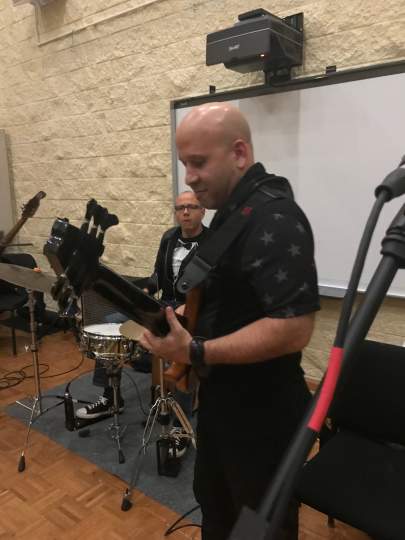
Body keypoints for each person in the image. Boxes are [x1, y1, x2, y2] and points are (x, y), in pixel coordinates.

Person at [139, 103, 320, 540]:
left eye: (199, 162)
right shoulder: (231, 213)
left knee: (259, 527)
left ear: (239, 153)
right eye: (184, 164)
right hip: (222, 400)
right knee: (215, 505)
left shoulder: (276, 217)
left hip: (264, 413)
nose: (189, 177)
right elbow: (228, 301)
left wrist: (195, 350)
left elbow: (294, 328)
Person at [76, 191, 208, 458]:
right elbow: (157, 276)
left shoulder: (212, 243)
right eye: (180, 207)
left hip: (195, 312)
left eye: (192, 207)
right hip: (164, 306)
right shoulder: (169, 237)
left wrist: (186, 307)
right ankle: (111, 397)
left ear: (202, 211)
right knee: (109, 322)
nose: (185, 212)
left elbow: (215, 290)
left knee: (182, 350)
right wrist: (141, 293)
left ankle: (180, 426)